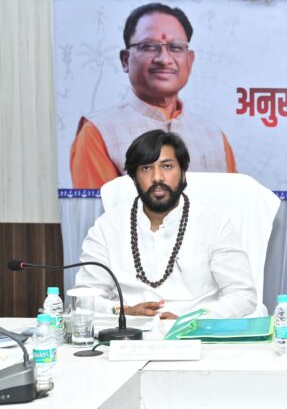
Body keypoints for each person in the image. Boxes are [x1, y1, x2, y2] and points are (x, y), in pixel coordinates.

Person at [75, 130, 256, 319]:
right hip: (130, 330)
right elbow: (85, 297)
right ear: (134, 179)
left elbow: (243, 296)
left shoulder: (214, 226)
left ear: (183, 174)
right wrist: (125, 311)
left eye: (167, 166)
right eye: (146, 168)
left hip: (196, 332)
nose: (157, 177)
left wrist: (190, 322)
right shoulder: (107, 227)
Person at [69, 3, 236, 189]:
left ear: (190, 60)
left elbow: (232, 201)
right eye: (148, 46)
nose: (164, 59)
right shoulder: (98, 132)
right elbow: (101, 206)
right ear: (125, 60)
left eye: (175, 47)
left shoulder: (213, 136)